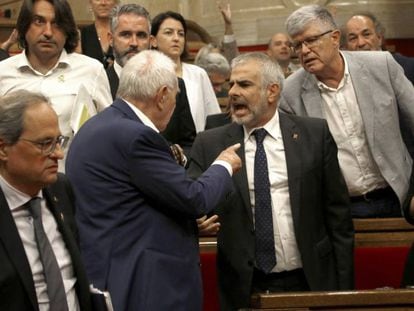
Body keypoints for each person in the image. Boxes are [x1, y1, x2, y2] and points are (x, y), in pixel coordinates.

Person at [65, 50, 242, 311]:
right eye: (175, 98)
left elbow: (130, 205)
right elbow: (195, 198)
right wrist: (224, 164)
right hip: (143, 285)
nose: (174, 106)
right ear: (161, 96)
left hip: (110, 273)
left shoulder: (95, 127)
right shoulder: (136, 137)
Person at [189, 52, 354, 310]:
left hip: (310, 279)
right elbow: (190, 200)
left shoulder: (314, 134)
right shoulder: (209, 143)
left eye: (244, 84)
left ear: (272, 91)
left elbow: (338, 217)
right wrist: (196, 219)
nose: (232, 92)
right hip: (244, 284)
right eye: (232, 83)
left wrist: (345, 293)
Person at [279, 4, 414, 218]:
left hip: (402, 196)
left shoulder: (382, 66)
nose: (304, 51)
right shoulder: (290, 93)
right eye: (297, 45)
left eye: (311, 40)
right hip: (342, 208)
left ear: (334, 38)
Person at [0, 90, 92, 311]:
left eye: (59, 141)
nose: (58, 154)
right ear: (3, 148)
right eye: (45, 144)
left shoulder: (61, 188)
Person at [0, 0, 112, 172]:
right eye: (39, 22)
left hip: (72, 183)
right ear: (24, 27)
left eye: (57, 24)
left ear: (68, 30)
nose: (48, 32)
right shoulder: (3, 72)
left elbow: (108, 134)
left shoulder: (91, 71)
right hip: (14, 186)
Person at [106, 3, 196, 154]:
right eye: (126, 34)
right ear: (110, 38)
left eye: (141, 35)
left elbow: (189, 143)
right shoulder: (98, 83)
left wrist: (179, 157)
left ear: (151, 40)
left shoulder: (174, 84)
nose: (134, 43)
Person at [150, 11, 221, 133]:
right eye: (168, 33)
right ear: (153, 41)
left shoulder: (198, 74)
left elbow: (213, 117)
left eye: (181, 34)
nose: (176, 38)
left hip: (197, 146)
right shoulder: (146, 75)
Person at [342, 12, 414, 84]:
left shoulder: (409, 67)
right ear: (346, 47)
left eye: (366, 34)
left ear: (379, 38)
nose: (361, 43)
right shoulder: (344, 77)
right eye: (353, 38)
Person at [80, 0, 119, 67]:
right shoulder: (82, 35)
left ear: (115, 3)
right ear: (90, 3)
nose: (103, 3)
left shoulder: (123, 33)